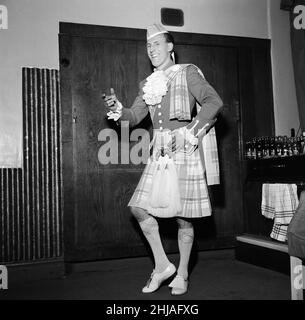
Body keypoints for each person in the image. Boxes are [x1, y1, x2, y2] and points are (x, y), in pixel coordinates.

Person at [103, 23, 223, 296]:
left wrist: (191, 133)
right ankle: (162, 266)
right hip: (159, 150)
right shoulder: (148, 83)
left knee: (183, 218)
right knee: (138, 208)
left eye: (157, 44)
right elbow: (133, 117)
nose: (152, 49)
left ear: (170, 47)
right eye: (148, 45)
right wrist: (117, 108)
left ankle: (182, 274)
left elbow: (214, 102)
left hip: (184, 147)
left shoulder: (187, 72)